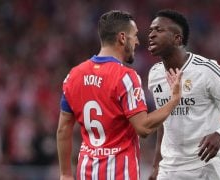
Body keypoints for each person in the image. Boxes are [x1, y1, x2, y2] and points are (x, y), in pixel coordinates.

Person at [56, 10, 183, 180]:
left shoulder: (74, 76)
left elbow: (63, 129)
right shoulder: (125, 77)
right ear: (123, 38)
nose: (138, 41)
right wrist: (174, 100)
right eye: (135, 35)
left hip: (86, 173)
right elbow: (144, 127)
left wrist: (65, 173)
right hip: (119, 174)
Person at [147, 9, 220, 180]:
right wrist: (156, 165)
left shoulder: (206, 70)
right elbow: (163, 122)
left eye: (159, 30)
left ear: (177, 38)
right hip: (170, 168)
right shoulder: (155, 74)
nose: (151, 35)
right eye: (150, 30)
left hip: (207, 164)